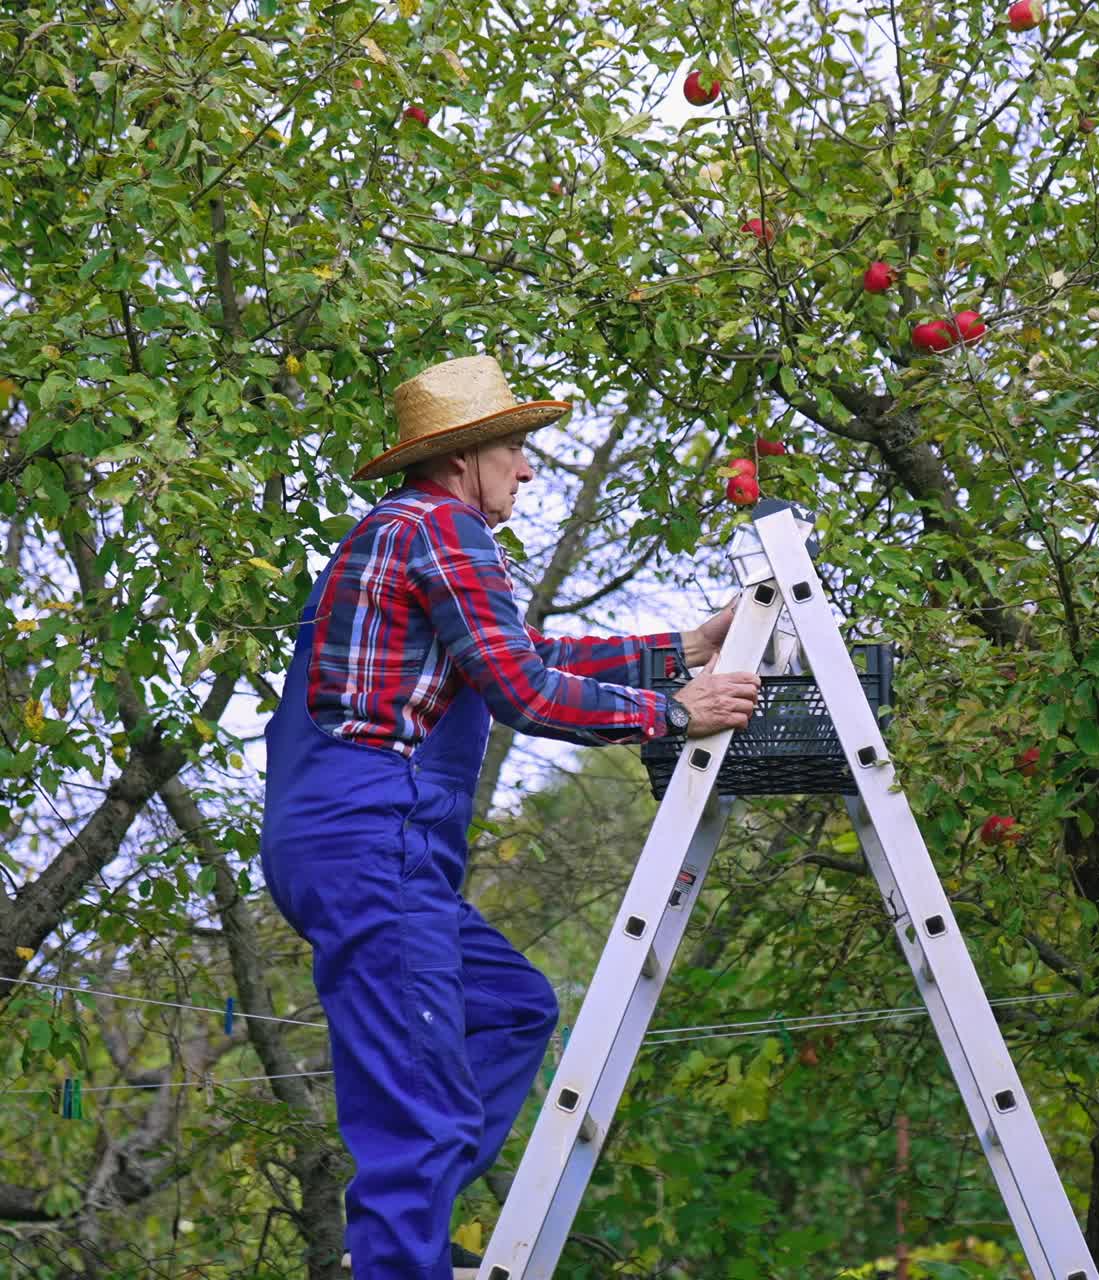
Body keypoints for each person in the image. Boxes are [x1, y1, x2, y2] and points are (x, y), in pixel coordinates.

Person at [258, 353, 761, 1279]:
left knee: (512, 1008)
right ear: (462, 459)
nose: (528, 468)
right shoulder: (443, 529)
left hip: (357, 839)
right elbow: (524, 690)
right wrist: (676, 712)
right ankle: (397, 1261)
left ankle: (403, 1238)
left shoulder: (407, 530)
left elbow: (521, 650)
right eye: (516, 449)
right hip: (374, 836)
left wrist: (685, 646)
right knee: (418, 1103)